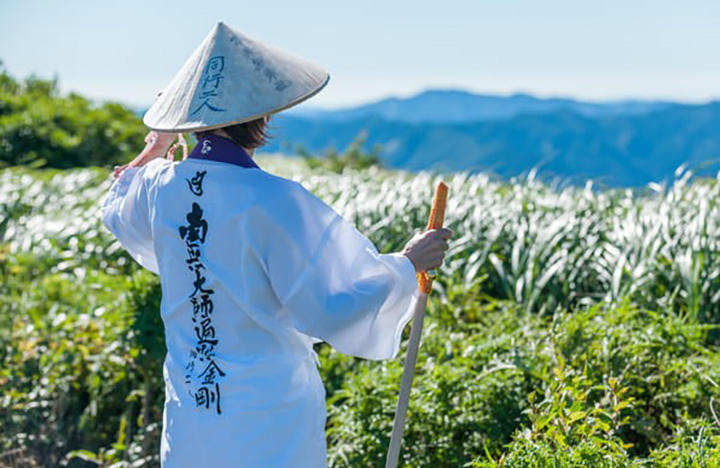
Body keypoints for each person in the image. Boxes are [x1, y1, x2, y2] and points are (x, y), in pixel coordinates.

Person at [101, 22, 453, 468]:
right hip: (269, 414)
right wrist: (407, 263)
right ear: (261, 116)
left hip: (194, 409)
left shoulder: (161, 187)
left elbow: (116, 205)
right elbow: (329, 306)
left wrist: (156, 148)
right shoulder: (277, 201)